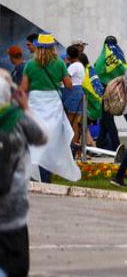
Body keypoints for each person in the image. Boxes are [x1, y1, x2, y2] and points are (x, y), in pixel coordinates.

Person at [0, 73, 46, 277]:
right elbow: (42, 136)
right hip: (12, 208)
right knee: (17, 266)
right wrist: (25, 107)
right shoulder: (18, 120)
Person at [21, 36, 79, 183]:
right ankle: (46, 177)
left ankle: (34, 174)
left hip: (35, 103)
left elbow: (24, 87)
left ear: (38, 46)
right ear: (52, 47)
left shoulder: (30, 64)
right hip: (53, 104)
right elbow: (69, 85)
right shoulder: (59, 63)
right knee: (51, 141)